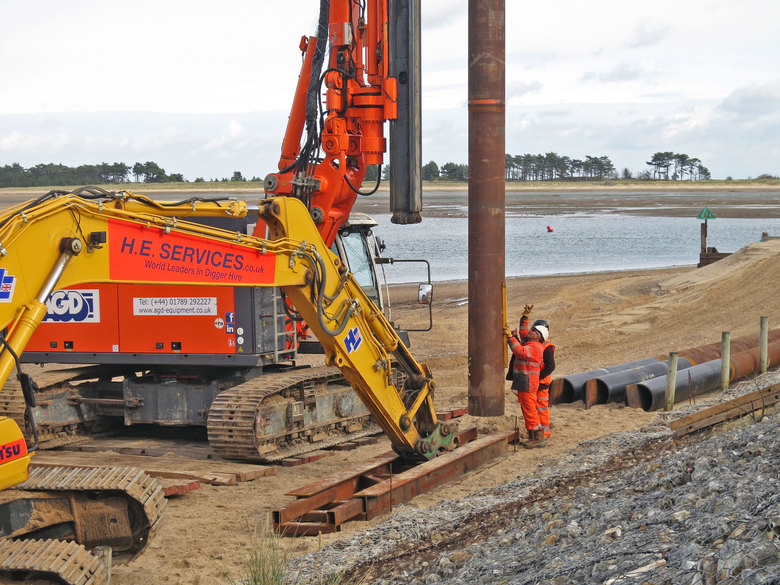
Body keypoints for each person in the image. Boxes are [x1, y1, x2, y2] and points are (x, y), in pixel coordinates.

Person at [503, 307, 547, 448]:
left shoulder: (535, 347)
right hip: (524, 382)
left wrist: (510, 338)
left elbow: (519, 351)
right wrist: (524, 317)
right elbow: (524, 332)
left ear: (539, 336)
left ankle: (537, 438)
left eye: (534, 330)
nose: (530, 331)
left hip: (528, 383)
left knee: (530, 410)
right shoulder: (530, 342)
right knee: (527, 409)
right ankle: (532, 436)